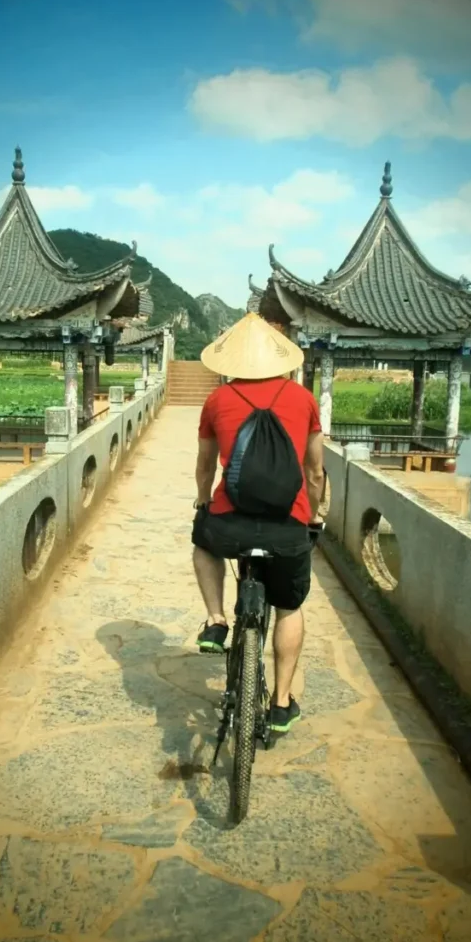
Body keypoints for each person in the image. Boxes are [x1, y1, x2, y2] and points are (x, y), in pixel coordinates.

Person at [191, 312, 325, 734]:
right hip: (288, 525)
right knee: (289, 608)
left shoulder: (217, 401)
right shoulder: (304, 399)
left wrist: (202, 499)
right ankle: (282, 703)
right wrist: (315, 513)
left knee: (203, 543)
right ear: (280, 359)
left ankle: (215, 620)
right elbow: (316, 471)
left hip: (231, 522)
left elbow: (205, 464)